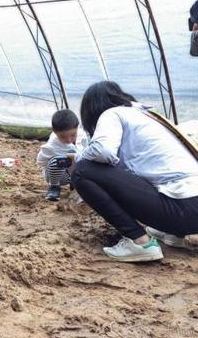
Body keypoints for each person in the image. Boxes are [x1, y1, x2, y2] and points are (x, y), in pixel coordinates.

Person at [71, 81, 198, 262]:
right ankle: (172, 233)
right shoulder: (147, 114)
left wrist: (79, 158)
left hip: (183, 209)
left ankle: (140, 242)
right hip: (190, 205)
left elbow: (103, 151)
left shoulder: (111, 113)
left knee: (83, 170)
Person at [36, 109, 87, 201]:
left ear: (77, 127)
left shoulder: (83, 136)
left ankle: (76, 184)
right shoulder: (52, 145)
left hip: (75, 174)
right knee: (59, 160)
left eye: (73, 135)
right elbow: (41, 161)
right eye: (63, 137)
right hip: (59, 176)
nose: (68, 140)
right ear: (55, 132)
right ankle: (54, 187)